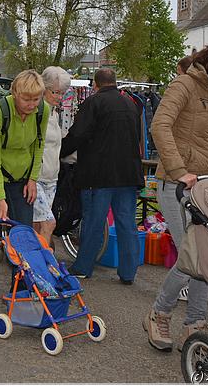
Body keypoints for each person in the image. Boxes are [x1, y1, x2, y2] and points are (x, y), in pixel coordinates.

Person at [144, 42, 208, 352]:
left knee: (206, 256)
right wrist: (178, 170)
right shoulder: (185, 84)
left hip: (207, 188)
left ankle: (195, 323)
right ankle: (159, 313)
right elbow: (159, 126)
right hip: (176, 185)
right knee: (196, 255)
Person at [0, 70, 50, 312]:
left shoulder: (42, 111)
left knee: (23, 236)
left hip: (22, 179)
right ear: (15, 93)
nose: (31, 105)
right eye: (26, 99)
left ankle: (21, 290)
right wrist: (0, 198)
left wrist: (33, 179)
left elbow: (39, 146)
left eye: (36, 99)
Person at [60, 67, 142, 282]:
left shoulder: (93, 103)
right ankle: (128, 272)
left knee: (94, 222)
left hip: (99, 174)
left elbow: (78, 134)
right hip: (128, 174)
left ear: (95, 84)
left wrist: (59, 152)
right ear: (114, 82)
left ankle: (83, 266)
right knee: (127, 224)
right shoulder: (130, 104)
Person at [31, 66, 72, 248]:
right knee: (49, 223)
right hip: (36, 177)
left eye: (62, 92)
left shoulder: (55, 113)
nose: (60, 96)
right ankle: (43, 266)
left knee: (38, 224)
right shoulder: (36, 112)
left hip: (51, 177)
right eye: (56, 92)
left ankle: (27, 261)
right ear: (44, 89)